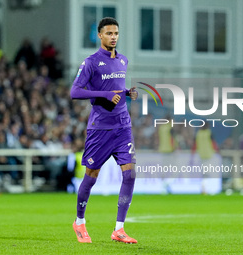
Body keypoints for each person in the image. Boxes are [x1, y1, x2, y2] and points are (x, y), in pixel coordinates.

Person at [70, 17, 138, 244]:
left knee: (130, 173)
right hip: (100, 128)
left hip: (123, 127)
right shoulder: (90, 62)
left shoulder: (123, 61)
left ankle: (119, 229)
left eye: (116, 33)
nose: (113, 37)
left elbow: (115, 88)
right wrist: (104, 95)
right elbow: (75, 92)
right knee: (91, 176)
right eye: (109, 33)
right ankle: (79, 221)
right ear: (100, 35)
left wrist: (127, 92)